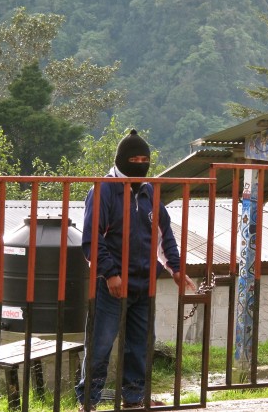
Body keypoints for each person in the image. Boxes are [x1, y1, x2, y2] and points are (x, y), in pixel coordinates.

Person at [76, 130, 195, 411]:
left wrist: (176, 269)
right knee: (100, 345)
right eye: (134, 159)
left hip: (144, 283)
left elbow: (164, 233)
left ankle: (133, 398)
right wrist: (110, 274)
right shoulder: (103, 190)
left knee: (140, 346)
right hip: (111, 286)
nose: (140, 164)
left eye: (145, 159)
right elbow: (92, 240)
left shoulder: (148, 189)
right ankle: (88, 402)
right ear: (121, 160)